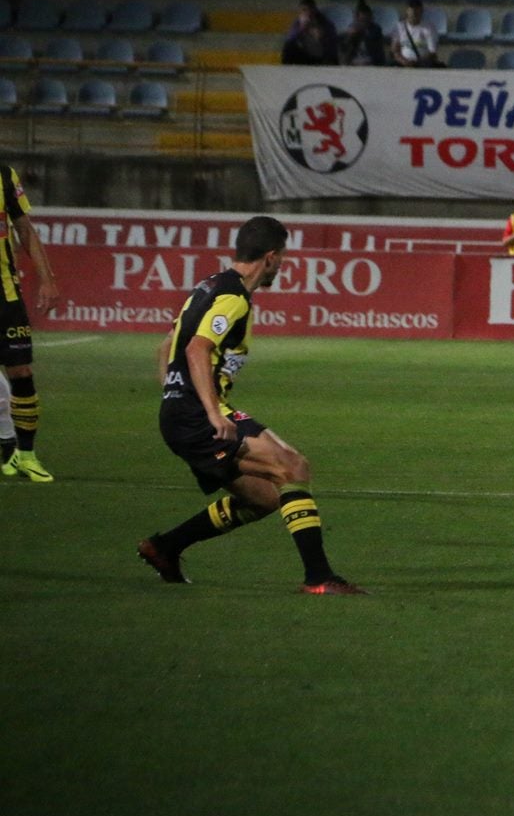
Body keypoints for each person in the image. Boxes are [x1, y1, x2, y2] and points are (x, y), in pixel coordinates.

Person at [137, 216, 364, 594]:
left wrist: (174, 396)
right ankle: (320, 578)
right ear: (271, 257)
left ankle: (165, 547)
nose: (283, 265)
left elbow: (167, 346)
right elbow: (196, 347)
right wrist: (208, 411)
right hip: (198, 417)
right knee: (293, 466)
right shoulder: (233, 297)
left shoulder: (207, 287)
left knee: (264, 499)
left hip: (181, 414)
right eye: (283, 257)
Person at [0, 164, 58, 482]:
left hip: (5, 292)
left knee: (21, 371)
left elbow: (25, 230)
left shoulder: (4, 176)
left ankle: (26, 455)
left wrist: (47, 279)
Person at [280, 0, 339, 65]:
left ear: (314, 10)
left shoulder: (326, 24)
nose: (307, 13)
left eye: (309, 10)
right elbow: (290, 39)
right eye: (303, 10)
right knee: (288, 46)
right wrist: (301, 29)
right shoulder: (298, 23)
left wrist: (321, 38)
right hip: (306, 55)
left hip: (322, 56)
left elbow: (333, 43)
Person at [390, 0, 439, 67]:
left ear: (421, 10)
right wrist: (404, 61)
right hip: (403, 63)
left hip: (421, 63)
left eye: (417, 8)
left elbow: (432, 52)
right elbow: (395, 51)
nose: (414, 11)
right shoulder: (399, 27)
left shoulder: (429, 28)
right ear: (407, 10)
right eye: (411, 8)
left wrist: (417, 62)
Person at [340, 0, 387, 66]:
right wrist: (350, 37)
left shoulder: (376, 29)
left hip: (371, 60)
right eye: (362, 20)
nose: (365, 22)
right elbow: (344, 48)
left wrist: (363, 32)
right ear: (357, 18)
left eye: (367, 19)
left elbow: (375, 44)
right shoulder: (351, 28)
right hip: (354, 60)